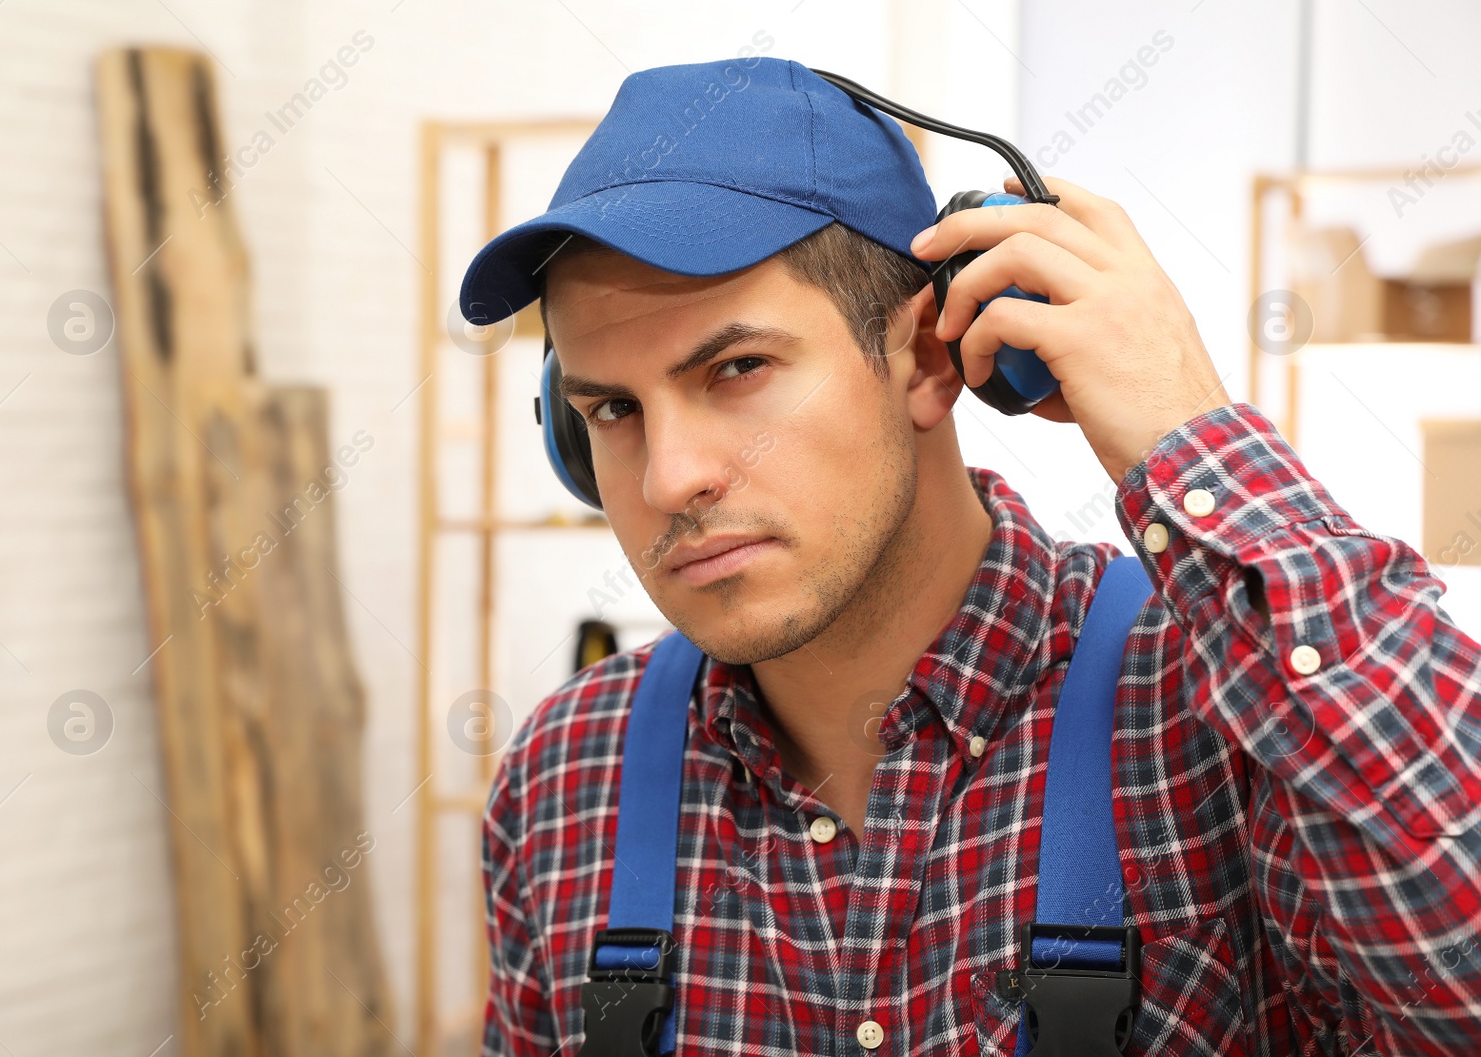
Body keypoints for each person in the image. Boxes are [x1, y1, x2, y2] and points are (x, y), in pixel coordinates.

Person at [459, 55, 1481, 1056]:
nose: (667, 478)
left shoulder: (1225, 716)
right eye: (611, 408)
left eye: (737, 367)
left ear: (930, 355)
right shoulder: (564, 773)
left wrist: (1185, 431)